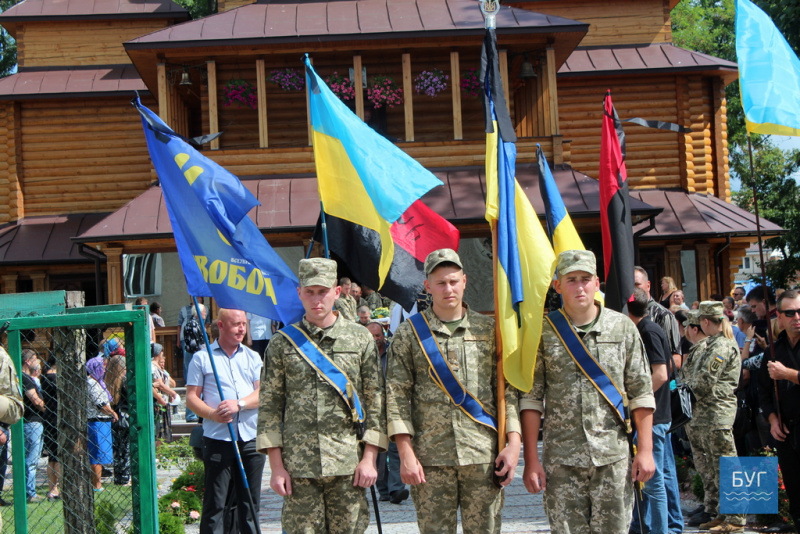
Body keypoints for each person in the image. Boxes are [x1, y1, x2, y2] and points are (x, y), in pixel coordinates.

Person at [520, 250, 655, 534]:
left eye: (585, 279)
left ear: (596, 282)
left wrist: (645, 450)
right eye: (571, 280)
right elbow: (531, 400)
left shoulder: (622, 328)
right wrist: (531, 459)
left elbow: (641, 393)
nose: (579, 286)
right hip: (562, 460)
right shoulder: (544, 333)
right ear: (557, 286)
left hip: (614, 458)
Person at [386, 248, 520, 533]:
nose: (448, 289)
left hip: (483, 455)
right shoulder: (409, 335)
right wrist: (405, 453)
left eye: (453, 281)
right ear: (427, 286)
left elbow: (507, 391)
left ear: (465, 281)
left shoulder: (490, 331)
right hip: (430, 460)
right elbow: (397, 396)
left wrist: (513, 443)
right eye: (440, 283)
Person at [258, 258, 386, 533]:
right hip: (298, 469)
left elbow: (375, 400)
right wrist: (276, 467)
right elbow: (269, 407)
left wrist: (369, 458)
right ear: (299, 293)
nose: (317, 299)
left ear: (337, 292)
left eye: (323, 291)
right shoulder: (282, 343)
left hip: (349, 466)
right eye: (310, 291)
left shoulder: (360, 339)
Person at [187, 309, 265, 534]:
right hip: (218, 439)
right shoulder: (202, 357)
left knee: (250, 504)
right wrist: (212, 414)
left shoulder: (252, 356)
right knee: (216, 504)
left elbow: (262, 393)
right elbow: (191, 397)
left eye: (244, 324)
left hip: (250, 439)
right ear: (220, 326)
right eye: (236, 324)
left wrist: (239, 404)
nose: (242, 329)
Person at [682, 301, 744, 532]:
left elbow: (704, 381)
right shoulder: (708, 345)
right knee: (709, 466)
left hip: (716, 415)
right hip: (703, 416)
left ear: (706, 322)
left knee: (725, 466)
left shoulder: (721, 347)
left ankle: (736, 519)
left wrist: (681, 398)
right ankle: (721, 512)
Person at [628, 288, 683, 534]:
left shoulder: (648, 331)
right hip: (653, 414)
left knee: (654, 482)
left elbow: (661, 374)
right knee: (644, 480)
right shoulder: (645, 329)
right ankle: (642, 527)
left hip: (654, 415)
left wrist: (636, 400)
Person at [759, 289, 800, 530]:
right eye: (790, 312)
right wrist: (772, 419)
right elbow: (763, 392)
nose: (797, 317)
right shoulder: (773, 351)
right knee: (794, 487)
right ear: (780, 318)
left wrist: (788, 374)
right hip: (786, 430)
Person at [368, 321, 408, 505]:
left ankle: (397, 489)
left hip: (393, 406)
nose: (376, 339)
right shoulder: (363, 354)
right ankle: (383, 489)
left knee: (395, 448)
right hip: (372, 409)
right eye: (372, 336)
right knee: (378, 449)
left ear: (383, 334)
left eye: (378, 335)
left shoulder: (394, 352)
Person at [87, 356, 118, 492]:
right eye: (103, 366)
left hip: (103, 422)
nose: (105, 369)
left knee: (100, 454)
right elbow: (99, 403)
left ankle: (97, 482)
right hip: (96, 422)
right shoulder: (91, 383)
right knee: (96, 455)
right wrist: (111, 412)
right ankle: (96, 484)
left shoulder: (98, 382)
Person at [22, 350, 46, 502]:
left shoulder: (25, 378)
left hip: (32, 422)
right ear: (28, 362)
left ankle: (30, 491)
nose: (38, 362)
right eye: (36, 359)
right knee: (31, 459)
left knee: (33, 458)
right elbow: (35, 401)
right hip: (32, 422)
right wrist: (47, 409)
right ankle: (29, 493)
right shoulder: (26, 379)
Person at [105, 350, 130, 486]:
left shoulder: (107, 379)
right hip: (126, 416)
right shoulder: (125, 379)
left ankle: (119, 477)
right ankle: (125, 477)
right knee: (126, 448)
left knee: (118, 448)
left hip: (113, 416)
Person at [40, 357, 61, 500]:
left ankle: (52, 488)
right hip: (57, 418)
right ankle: (58, 487)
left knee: (52, 457)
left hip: (48, 418)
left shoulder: (44, 377)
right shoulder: (55, 378)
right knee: (58, 456)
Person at [183, 303, 207, 422]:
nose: (205, 314)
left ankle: (197, 414)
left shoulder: (199, 324)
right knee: (194, 385)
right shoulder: (192, 324)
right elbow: (194, 345)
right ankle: (191, 415)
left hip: (197, 355)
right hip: (193, 356)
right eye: (204, 312)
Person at [152, 343, 178, 442]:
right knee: (159, 432)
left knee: (164, 432)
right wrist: (173, 393)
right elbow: (160, 384)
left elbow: (172, 383)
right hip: (159, 402)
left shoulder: (160, 367)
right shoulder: (153, 366)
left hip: (165, 400)